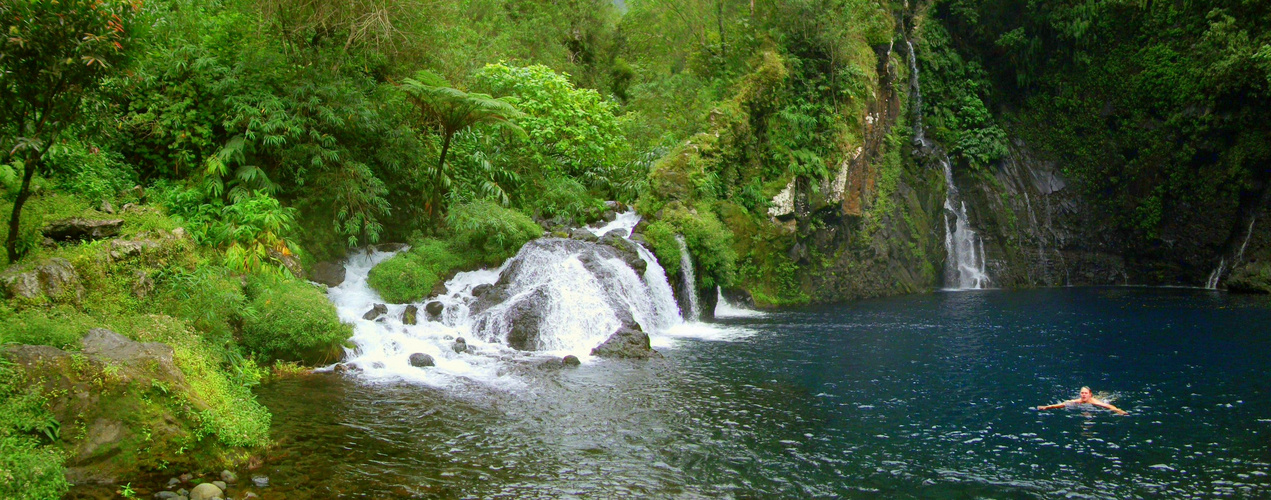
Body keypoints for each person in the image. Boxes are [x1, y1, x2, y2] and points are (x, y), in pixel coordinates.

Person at [1037, 386, 1128, 415]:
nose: (1083, 395)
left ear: (1089, 394)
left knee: (1107, 399)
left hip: (1097, 400)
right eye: (1082, 393)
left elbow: (1108, 406)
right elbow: (1062, 404)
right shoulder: (1078, 401)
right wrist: (1046, 407)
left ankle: (1103, 394)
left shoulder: (1094, 402)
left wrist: (1119, 411)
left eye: (1085, 393)